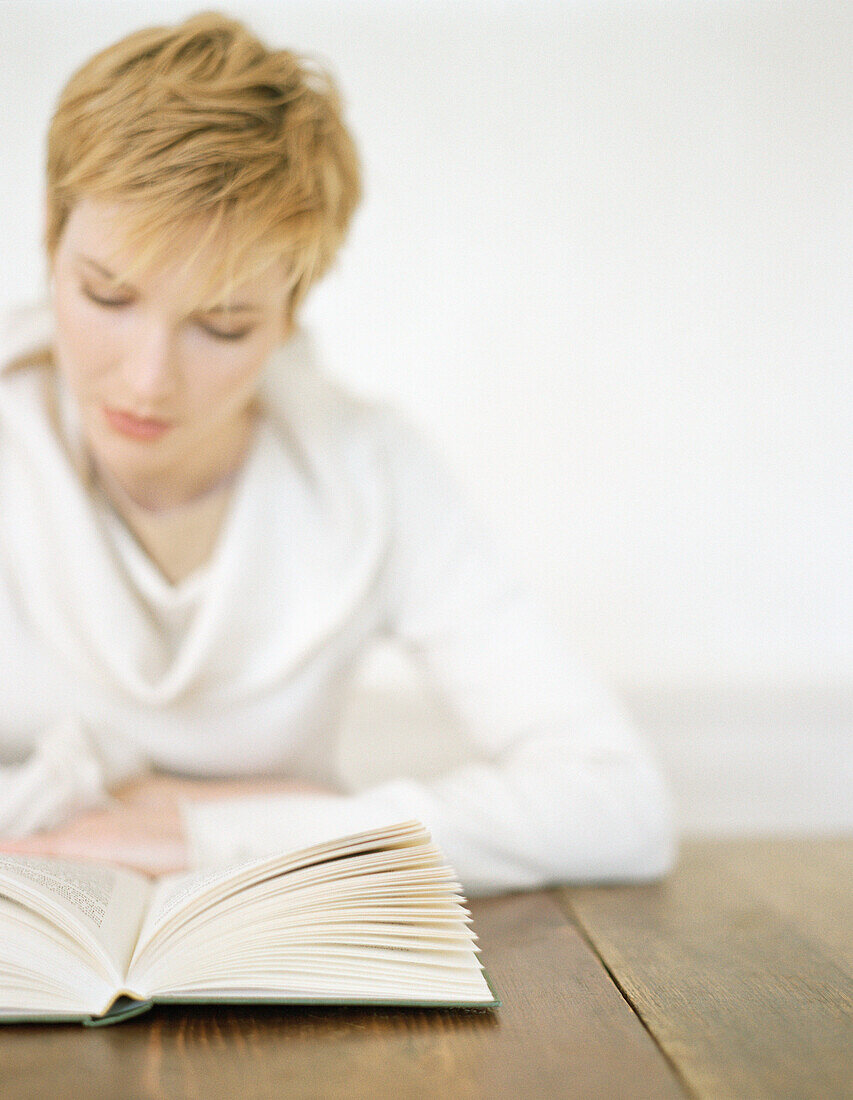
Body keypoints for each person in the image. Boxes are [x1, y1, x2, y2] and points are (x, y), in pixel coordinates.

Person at [0, 11, 675, 895]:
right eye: (106, 294)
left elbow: (619, 806)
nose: (148, 380)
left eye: (222, 324)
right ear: (52, 237)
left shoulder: (373, 472)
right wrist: (151, 795)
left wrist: (241, 830)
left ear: (290, 311)